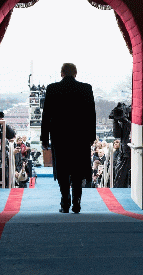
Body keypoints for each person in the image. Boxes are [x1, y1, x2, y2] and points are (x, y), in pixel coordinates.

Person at [41, 63, 96, 214]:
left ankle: (65, 201)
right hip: (80, 136)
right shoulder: (86, 88)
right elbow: (91, 114)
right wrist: (91, 136)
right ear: (76, 73)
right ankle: (77, 202)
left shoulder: (52, 88)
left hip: (60, 136)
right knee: (78, 169)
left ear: (61, 73)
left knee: (62, 169)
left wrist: (44, 138)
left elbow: (46, 116)